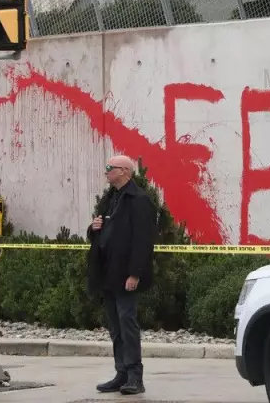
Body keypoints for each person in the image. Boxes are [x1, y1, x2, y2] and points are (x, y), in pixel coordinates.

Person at [86, 155, 157, 395]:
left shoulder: (139, 200)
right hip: (107, 272)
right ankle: (122, 373)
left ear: (124, 171)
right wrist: (93, 228)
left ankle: (135, 376)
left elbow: (143, 241)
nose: (106, 171)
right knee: (115, 326)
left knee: (127, 324)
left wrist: (134, 274)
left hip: (125, 274)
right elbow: (99, 234)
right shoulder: (110, 198)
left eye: (110, 168)